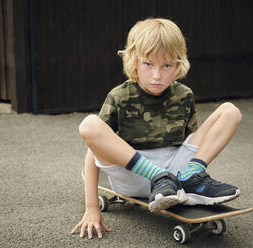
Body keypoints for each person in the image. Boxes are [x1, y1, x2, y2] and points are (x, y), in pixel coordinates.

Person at [71, 18, 242, 239]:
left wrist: (188, 167)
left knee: (230, 111)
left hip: (176, 172)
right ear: (134, 61)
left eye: (167, 65)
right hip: (135, 175)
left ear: (179, 64)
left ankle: (192, 177)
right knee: (89, 125)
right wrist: (91, 207)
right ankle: (158, 177)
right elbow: (93, 150)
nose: (157, 75)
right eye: (148, 64)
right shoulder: (120, 96)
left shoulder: (184, 95)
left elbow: (190, 142)